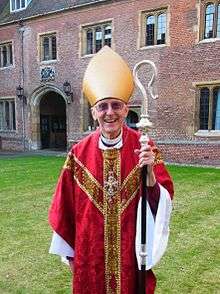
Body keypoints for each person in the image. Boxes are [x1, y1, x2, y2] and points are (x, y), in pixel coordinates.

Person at [48, 46, 174, 294]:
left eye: (116, 105)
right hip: (89, 258)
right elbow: (64, 206)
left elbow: (164, 200)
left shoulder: (145, 147)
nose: (110, 113)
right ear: (94, 111)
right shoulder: (78, 154)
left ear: (126, 109)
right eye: (103, 107)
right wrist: (71, 255)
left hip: (131, 255)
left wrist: (149, 177)